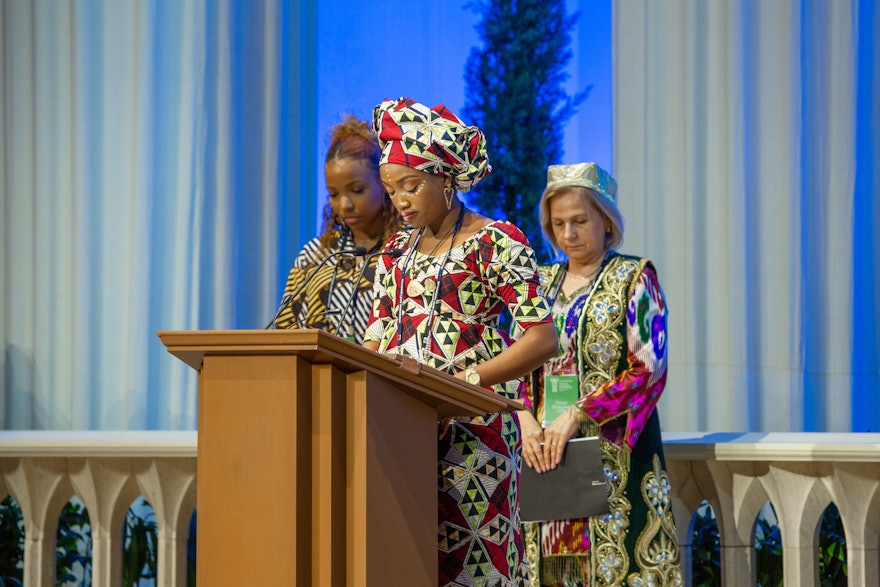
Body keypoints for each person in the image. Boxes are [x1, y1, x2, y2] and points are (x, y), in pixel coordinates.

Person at [363, 97, 558, 587]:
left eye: (411, 186)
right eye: (392, 190)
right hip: (402, 433)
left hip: (474, 439)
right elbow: (375, 337)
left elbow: (542, 338)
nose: (400, 201)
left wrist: (464, 382)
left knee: (476, 572)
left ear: (446, 178)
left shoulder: (497, 241)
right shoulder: (393, 253)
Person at [518, 162, 682, 586]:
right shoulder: (540, 282)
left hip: (612, 458)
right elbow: (513, 362)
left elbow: (648, 368)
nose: (568, 234)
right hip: (546, 450)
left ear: (606, 222)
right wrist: (524, 418)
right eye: (558, 224)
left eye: (579, 221)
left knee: (615, 568)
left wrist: (576, 414)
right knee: (553, 569)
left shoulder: (634, 276)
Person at [271, 115, 403, 339]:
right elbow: (284, 338)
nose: (344, 205)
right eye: (333, 194)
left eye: (357, 190)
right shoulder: (313, 257)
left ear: (384, 183)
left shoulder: (411, 250)